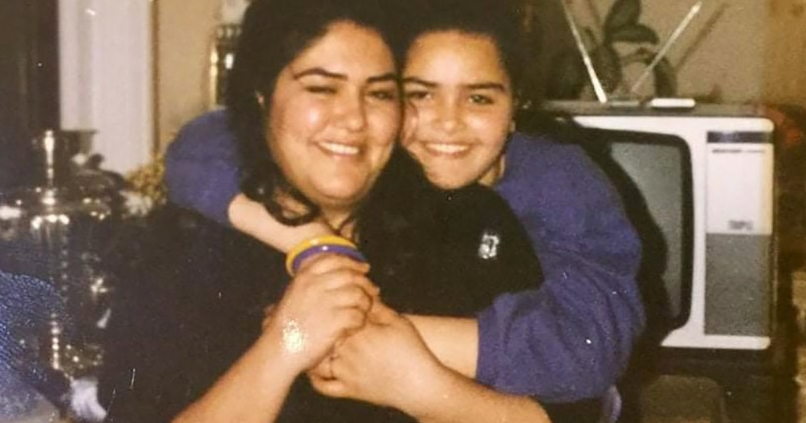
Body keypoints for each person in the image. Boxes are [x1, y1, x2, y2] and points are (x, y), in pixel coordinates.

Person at [100, 0, 596, 421]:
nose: (354, 119)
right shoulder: (182, 251)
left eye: (379, 93)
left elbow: (573, 410)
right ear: (262, 94)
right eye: (322, 88)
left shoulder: (471, 227)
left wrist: (429, 389)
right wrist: (284, 347)